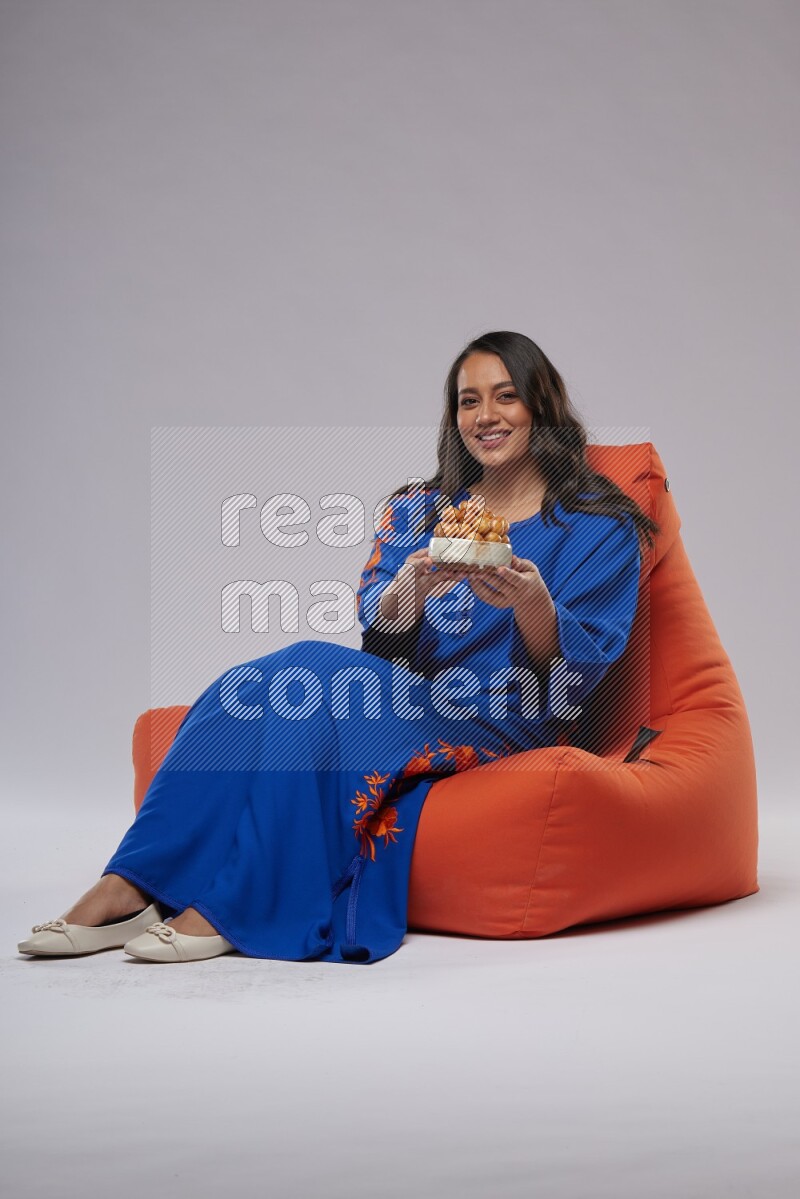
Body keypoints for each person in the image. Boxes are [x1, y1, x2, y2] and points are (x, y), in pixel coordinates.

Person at [17, 331, 659, 966]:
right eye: (468, 401)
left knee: (315, 674)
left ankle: (238, 907)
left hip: (507, 715)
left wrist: (531, 603)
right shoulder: (421, 509)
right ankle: (129, 883)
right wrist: (409, 587)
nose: (485, 417)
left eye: (505, 397)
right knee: (257, 684)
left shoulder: (599, 523)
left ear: (541, 404)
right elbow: (381, 638)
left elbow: (581, 674)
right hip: (414, 693)